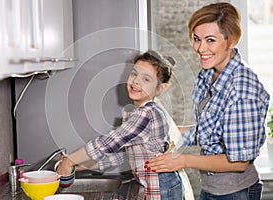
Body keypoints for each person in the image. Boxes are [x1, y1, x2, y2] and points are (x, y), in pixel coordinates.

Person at [145, 2, 270, 200]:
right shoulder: (209, 74)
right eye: (196, 39)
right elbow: (210, 130)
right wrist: (168, 131)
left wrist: (183, 160)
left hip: (235, 193)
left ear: (232, 40)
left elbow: (239, 162)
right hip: (212, 189)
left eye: (210, 40)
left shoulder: (242, 90)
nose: (201, 48)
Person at [57, 50, 184, 199]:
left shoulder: (146, 114)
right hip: (157, 184)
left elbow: (107, 143)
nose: (136, 81)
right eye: (134, 74)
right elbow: (124, 156)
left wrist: (71, 159)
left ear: (160, 89)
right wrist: (81, 166)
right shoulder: (139, 113)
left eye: (146, 79)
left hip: (162, 187)